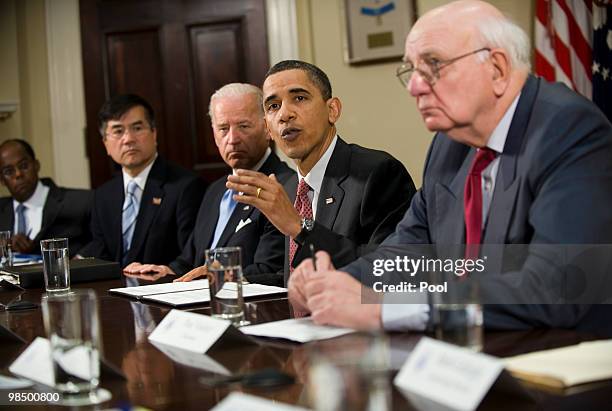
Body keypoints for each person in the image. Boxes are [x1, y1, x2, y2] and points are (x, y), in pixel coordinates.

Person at [288, 0, 612, 332]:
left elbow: (556, 288)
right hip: (467, 351)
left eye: (433, 64)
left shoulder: (570, 130)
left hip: (557, 355)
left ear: (497, 69)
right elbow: (406, 255)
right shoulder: (449, 146)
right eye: (411, 69)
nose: (414, 86)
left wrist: (387, 308)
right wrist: (332, 284)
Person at [227, 60, 416, 282]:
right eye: (273, 106)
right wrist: (234, 279)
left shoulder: (378, 173)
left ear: (332, 110)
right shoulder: (288, 188)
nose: (285, 114)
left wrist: (301, 228)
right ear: (268, 128)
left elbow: (392, 269)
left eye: (299, 98)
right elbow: (296, 277)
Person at [123, 83, 291, 282]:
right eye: (223, 128)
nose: (232, 138)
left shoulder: (284, 186)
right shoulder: (215, 190)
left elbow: (270, 270)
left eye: (243, 126)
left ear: (267, 128)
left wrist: (216, 276)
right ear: (213, 134)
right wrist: (165, 270)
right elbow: (190, 261)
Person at [79, 94, 206, 267]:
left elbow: (191, 255)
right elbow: (102, 253)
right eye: (118, 131)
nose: (129, 139)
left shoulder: (185, 187)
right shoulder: (103, 195)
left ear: (154, 134)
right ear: (106, 144)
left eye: (137, 128)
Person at [0, 139, 92, 257]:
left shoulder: (80, 202)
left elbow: (102, 241)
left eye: (23, 166)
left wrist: (78, 261)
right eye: (9, 171)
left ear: (36, 165)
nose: (18, 174)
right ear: (2, 180)